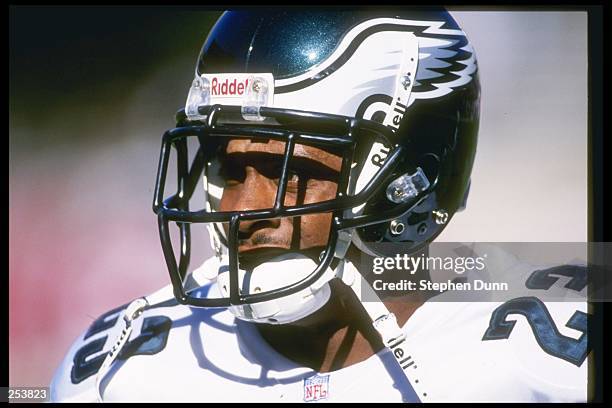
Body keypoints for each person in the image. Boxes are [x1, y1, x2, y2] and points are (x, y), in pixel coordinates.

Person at [50, 9, 589, 402]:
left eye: (296, 174)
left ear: (410, 180)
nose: (245, 208)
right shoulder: (122, 371)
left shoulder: (553, 351)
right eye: (229, 168)